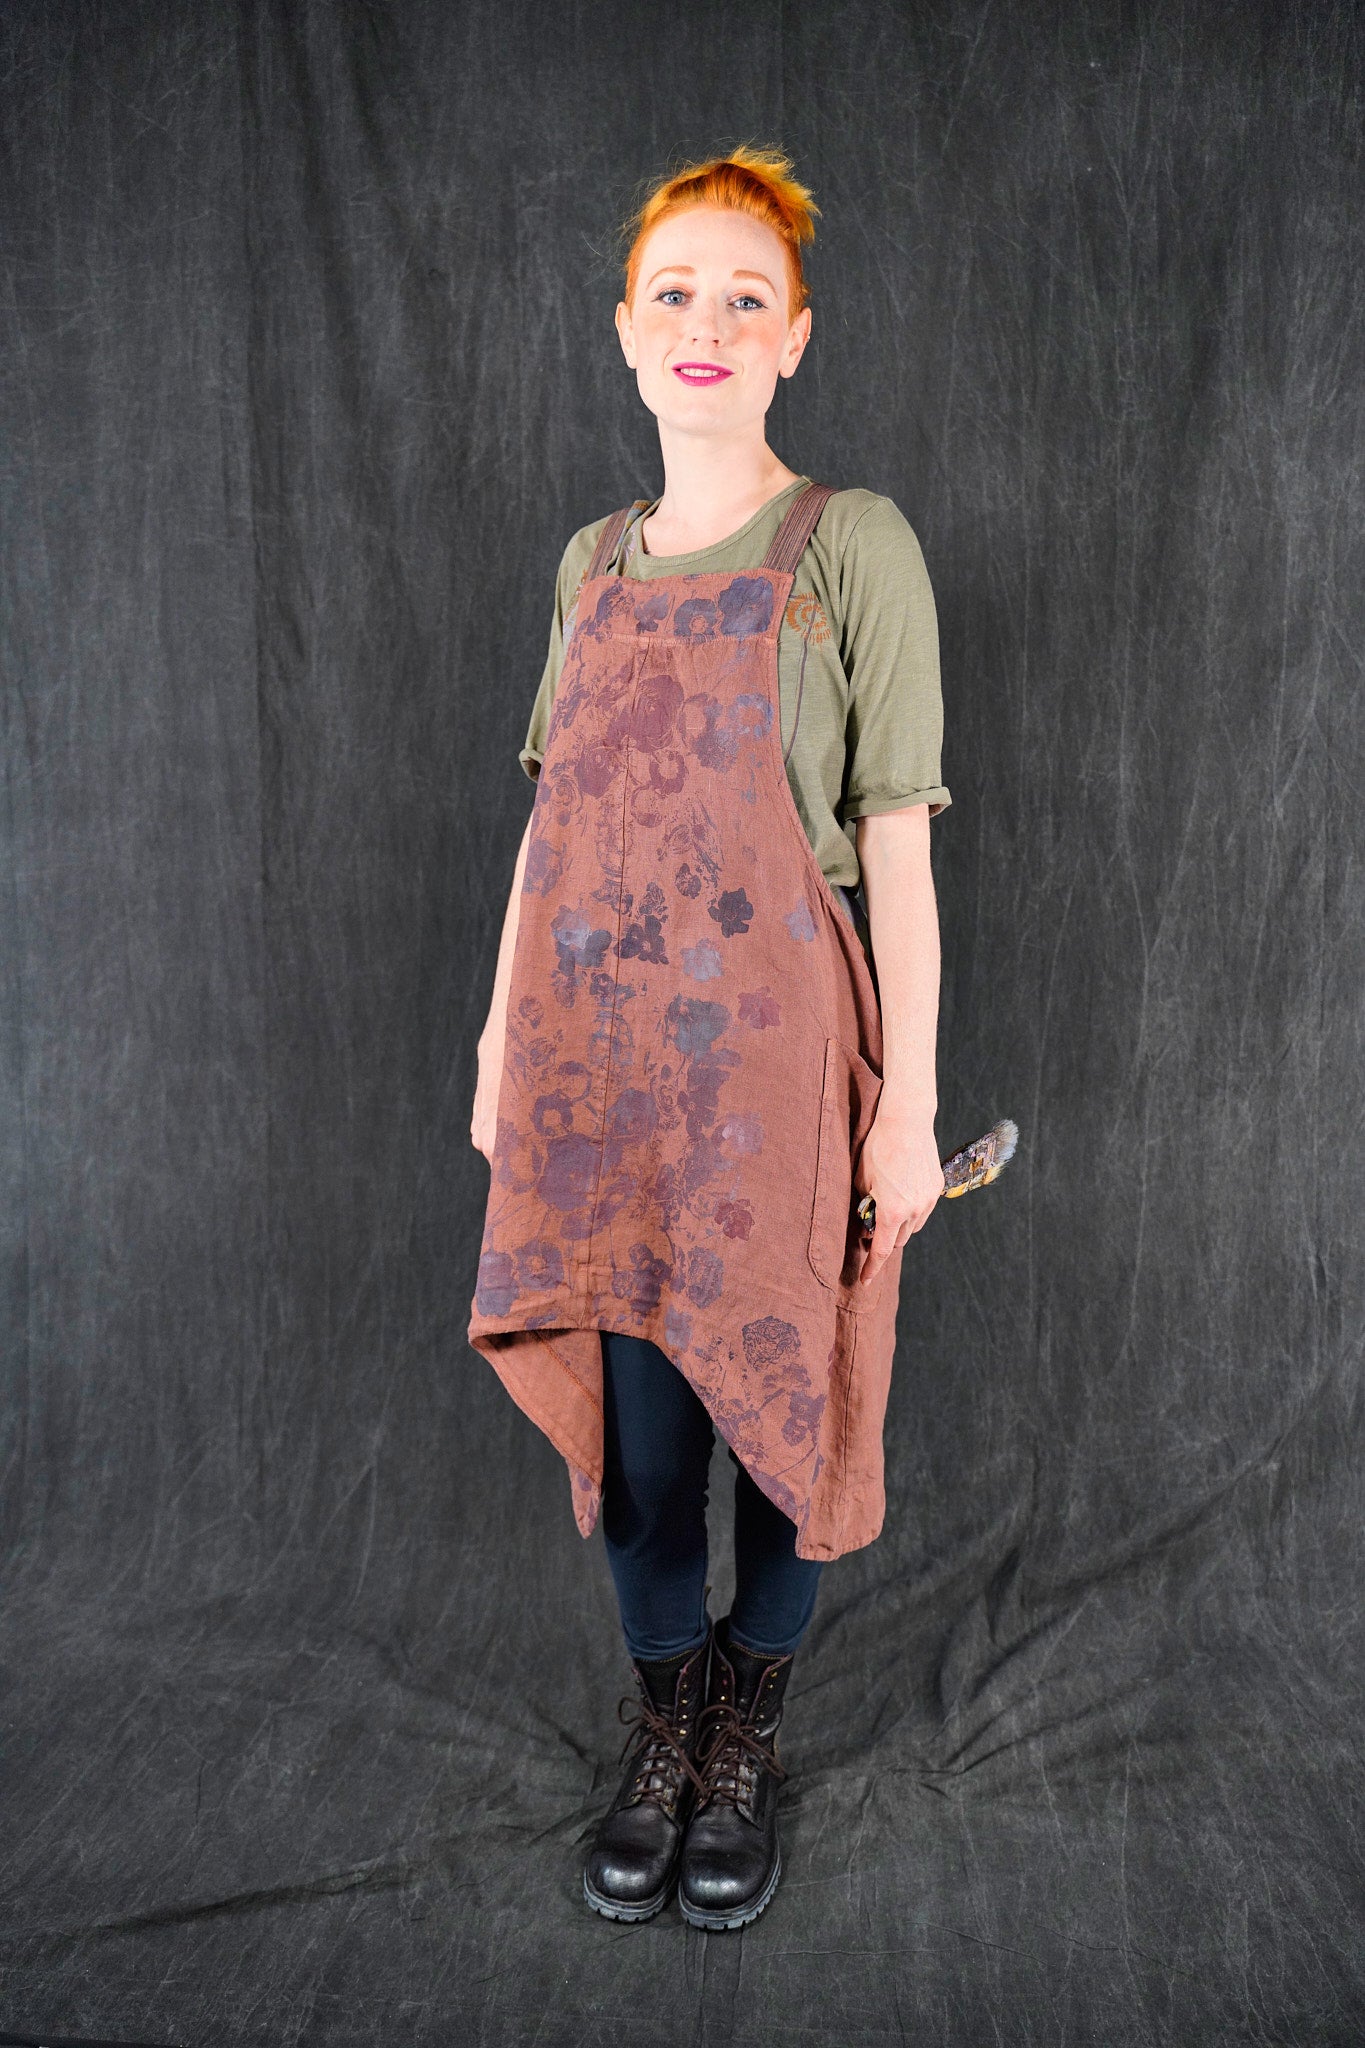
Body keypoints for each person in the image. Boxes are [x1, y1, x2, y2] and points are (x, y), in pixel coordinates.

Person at [468, 144, 949, 1932]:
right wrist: (495, 1052)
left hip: (781, 1083)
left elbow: (896, 844)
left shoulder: (850, 545)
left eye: (747, 298)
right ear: (623, 330)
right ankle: (664, 1721)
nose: (707, 322)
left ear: (794, 338)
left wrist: (907, 1106)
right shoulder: (589, 565)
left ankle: (746, 1718)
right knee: (648, 1452)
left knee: (784, 1427)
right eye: (674, 291)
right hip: (596, 1077)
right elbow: (550, 830)